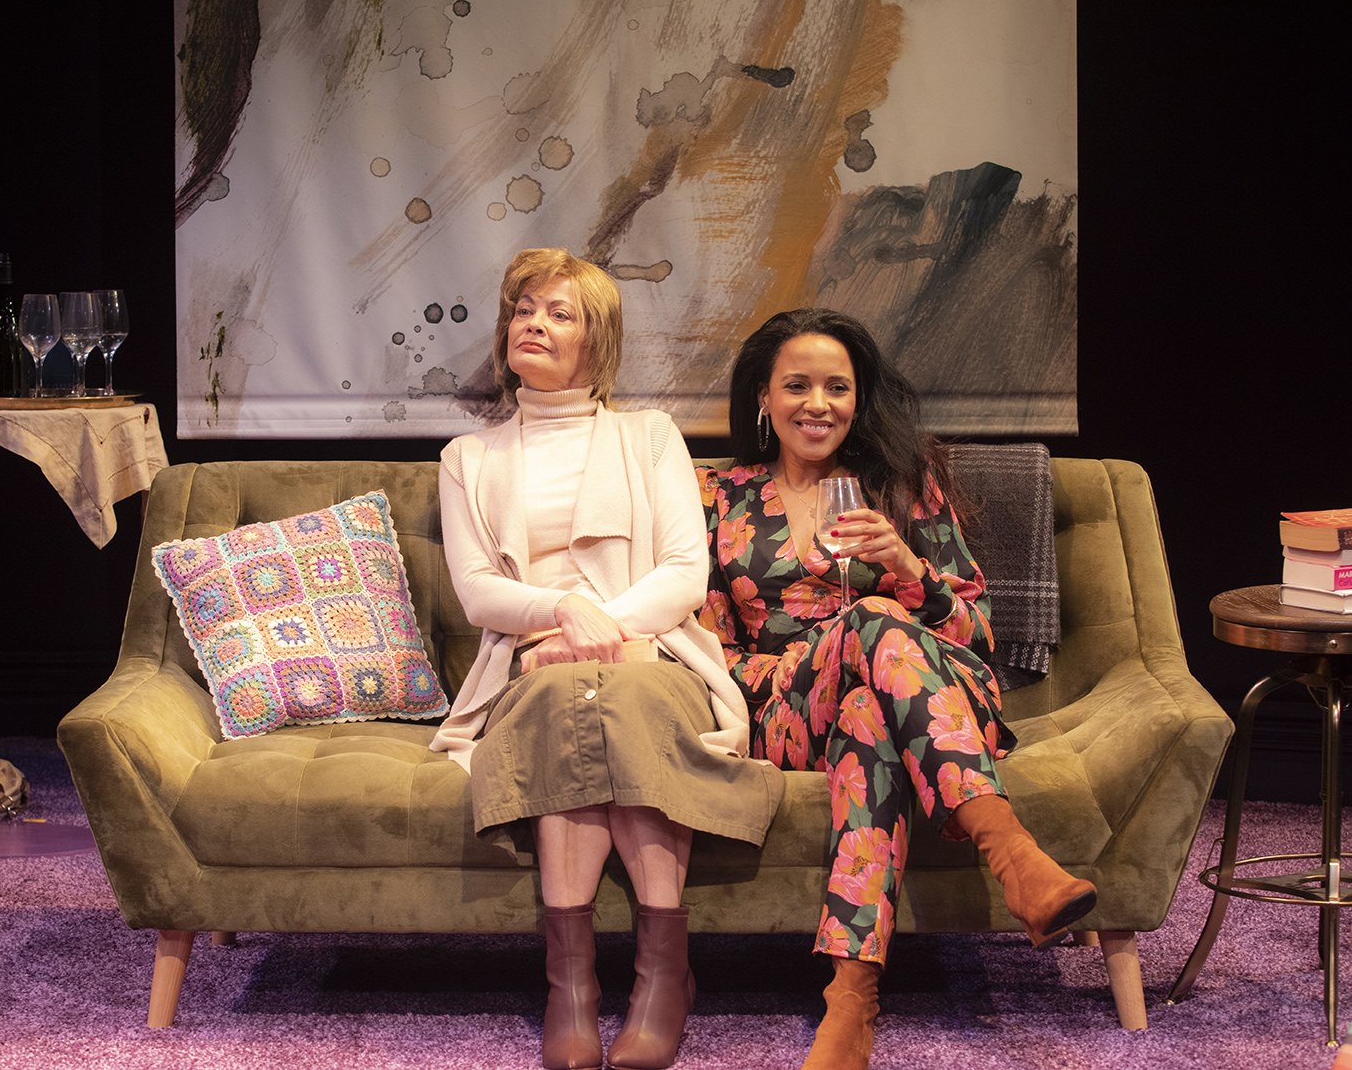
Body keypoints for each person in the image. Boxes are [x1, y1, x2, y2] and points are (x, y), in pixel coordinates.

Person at [697, 308, 1096, 1070]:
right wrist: (807, 655)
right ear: (762, 396)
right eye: (797, 385)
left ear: (858, 400)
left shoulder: (903, 486)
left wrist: (911, 569)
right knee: (870, 621)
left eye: (837, 387)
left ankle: (850, 1000)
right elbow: (707, 648)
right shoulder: (721, 496)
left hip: (918, 692)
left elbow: (978, 633)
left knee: (867, 709)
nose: (818, 403)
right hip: (783, 708)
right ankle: (1009, 851)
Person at [430, 248, 784, 1070]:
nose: (534, 323)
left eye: (559, 313)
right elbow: (479, 591)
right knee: (562, 695)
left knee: (618, 694)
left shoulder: (647, 435)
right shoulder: (468, 458)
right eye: (524, 308)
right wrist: (560, 612)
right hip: (530, 660)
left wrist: (604, 631)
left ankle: (662, 977)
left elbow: (681, 573)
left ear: (599, 340)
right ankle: (574, 987)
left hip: (652, 650)